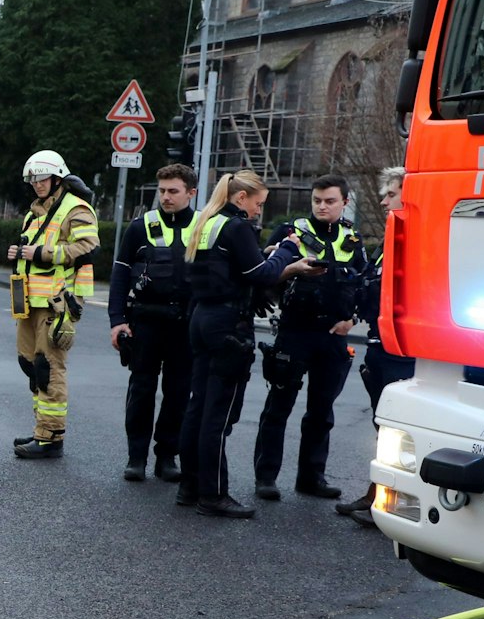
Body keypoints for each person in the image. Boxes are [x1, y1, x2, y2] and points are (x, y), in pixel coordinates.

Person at [175, 170, 323, 518]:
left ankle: (189, 486)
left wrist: (265, 255)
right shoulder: (237, 226)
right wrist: (288, 251)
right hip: (228, 324)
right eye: (258, 203)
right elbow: (261, 274)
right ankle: (213, 495)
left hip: (202, 318)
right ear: (241, 198)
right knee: (218, 415)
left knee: (197, 408)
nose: (259, 210)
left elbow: (231, 266)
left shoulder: (207, 221)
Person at [251, 174, 369, 502]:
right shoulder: (291, 232)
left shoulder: (352, 238)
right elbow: (263, 273)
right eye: (317, 200)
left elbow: (365, 285)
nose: (322, 206)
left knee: (321, 411)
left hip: (331, 335)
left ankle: (311, 477)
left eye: (330, 201)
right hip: (295, 332)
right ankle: (266, 477)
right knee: (278, 407)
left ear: (345, 202)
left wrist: (352, 319)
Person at [8, 150, 99, 459]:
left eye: (42, 178)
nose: (37, 184)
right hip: (29, 302)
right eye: (33, 179)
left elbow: (87, 247)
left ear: (58, 178)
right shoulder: (34, 213)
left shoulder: (76, 209)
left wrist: (40, 253)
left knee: (48, 367)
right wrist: (20, 253)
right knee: (29, 364)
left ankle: (50, 437)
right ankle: (41, 429)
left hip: (57, 302)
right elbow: (32, 251)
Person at [109, 163, 197, 482]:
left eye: (173, 191)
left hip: (185, 324)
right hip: (145, 322)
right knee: (141, 390)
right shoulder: (140, 227)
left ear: (191, 193)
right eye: (162, 191)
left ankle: (167, 457)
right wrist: (117, 320)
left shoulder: (204, 227)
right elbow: (120, 274)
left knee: (179, 393)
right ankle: (136, 457)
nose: (166, 197)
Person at [337, 167, 415, 524]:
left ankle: (390, 501)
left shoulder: (420, 240)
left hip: (403, 351)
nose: (384, 201)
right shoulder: (391, 240)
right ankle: (377, 494)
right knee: (383, 427)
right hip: (381, 344)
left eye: (391, 194)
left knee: (399, 431)